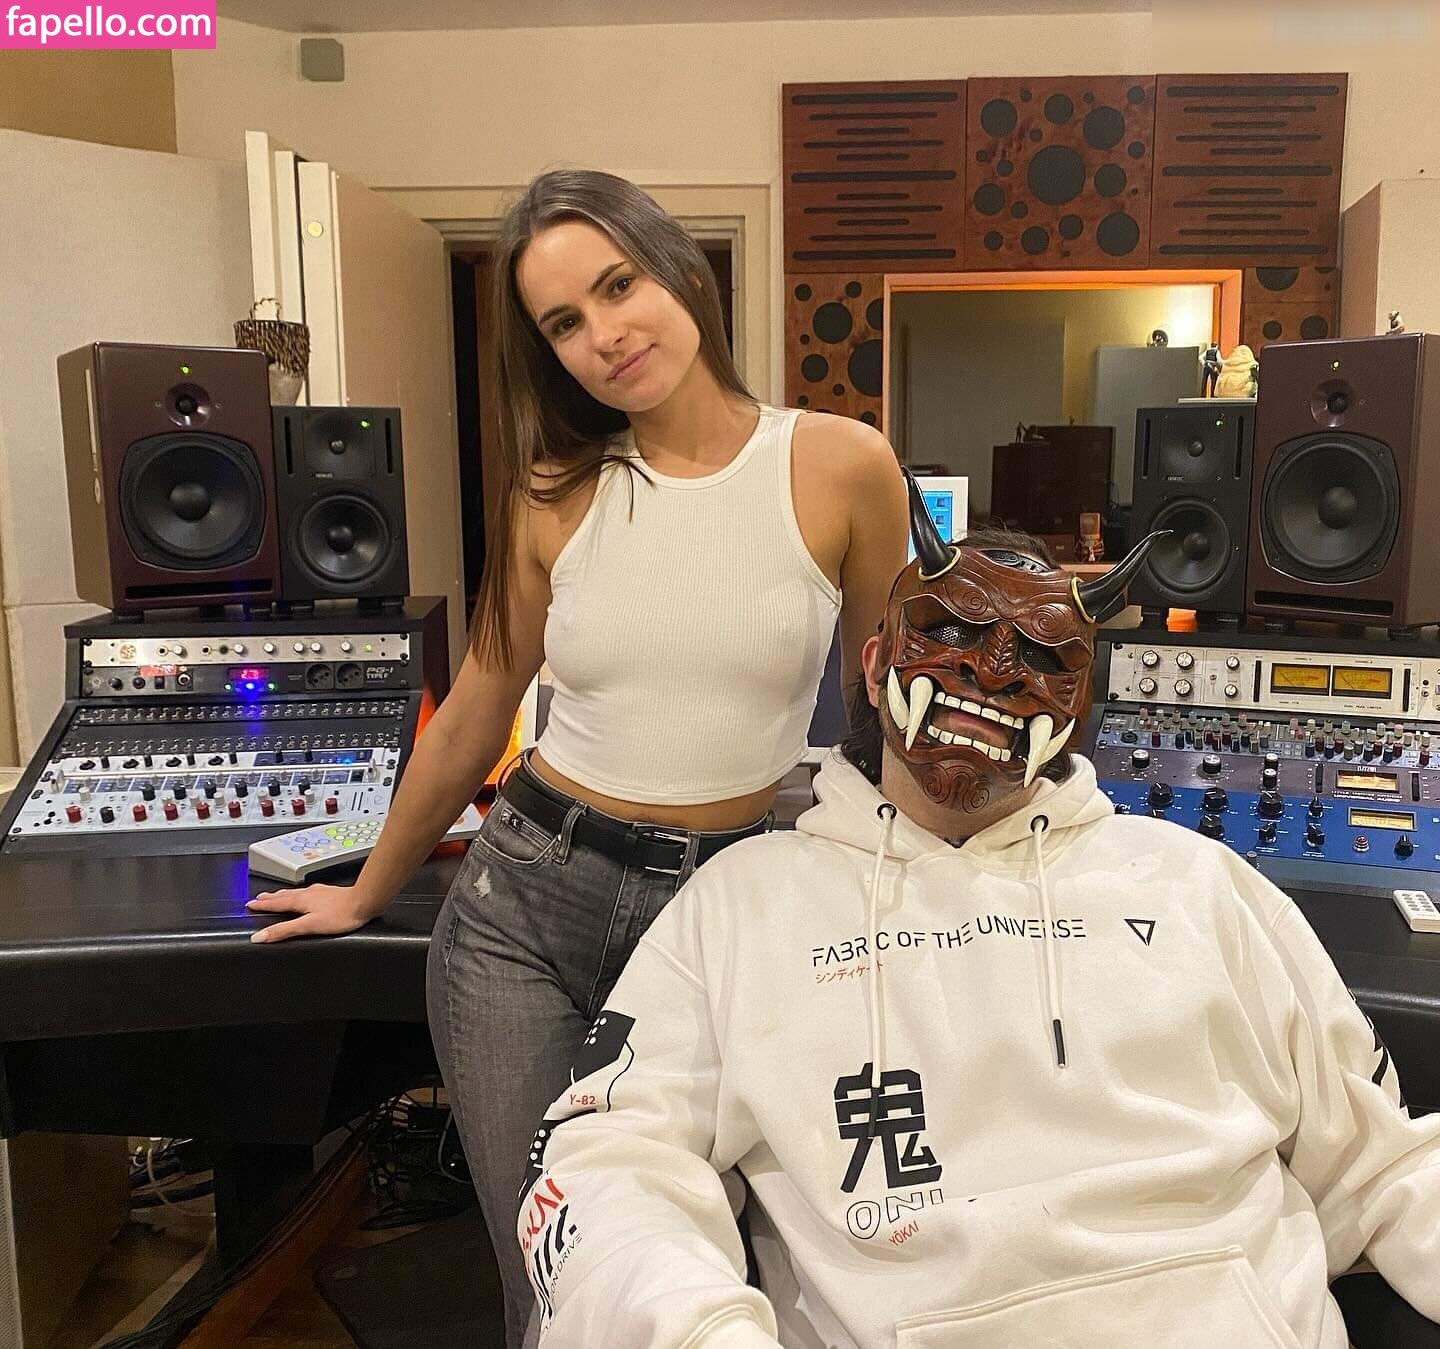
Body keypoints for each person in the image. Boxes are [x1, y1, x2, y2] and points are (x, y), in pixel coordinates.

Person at [516, 483, 1440, 1348]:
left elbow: (1386, 1163)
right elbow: (608, 1166)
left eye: (1041, 656)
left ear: (1079, 704)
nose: (994, 673)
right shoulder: (739, 909)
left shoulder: (1204, 885)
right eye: (952, 630)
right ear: (875, 661)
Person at [244, 167, 909, 1345]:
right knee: (557, 1282)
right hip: (528, 911)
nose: (603, 333)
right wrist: (366, 887)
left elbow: (882, 709)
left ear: (678, 270)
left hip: (727, 916)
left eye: (618, 285)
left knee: (720, 1269)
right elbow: (475, 711)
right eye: (562, 321)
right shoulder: (553, 493)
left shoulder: (844, 465)